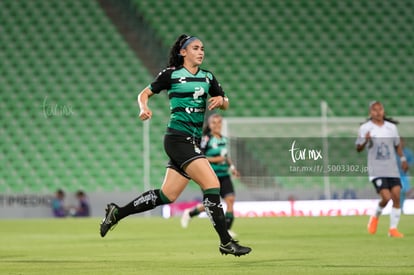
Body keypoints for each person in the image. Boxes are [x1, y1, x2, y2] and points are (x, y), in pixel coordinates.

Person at [99, 34, 251, 256]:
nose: (201, 52)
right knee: (212, 185)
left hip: (192, 140)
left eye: (203, 49)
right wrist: (143, 107)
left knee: (167, 195)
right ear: (183, 52)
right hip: (178, 138)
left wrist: (222, 101)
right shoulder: (171, 74)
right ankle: (226, 242)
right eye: (196, 48)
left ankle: (117, 213)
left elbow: (226, 102)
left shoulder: (208, 77)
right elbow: (144, 93)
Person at [181, 113, 240, 238]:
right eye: (214, 122)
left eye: (219, 122)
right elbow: (199, 157)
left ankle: (227, 230)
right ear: (210, 125)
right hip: (209, 176)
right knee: (211, 204)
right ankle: (190, 213)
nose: (217, 125)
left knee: (230, 200)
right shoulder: (206, 139)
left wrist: (233, 168)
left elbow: (226, 157)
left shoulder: (224, 139)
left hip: (224, 175)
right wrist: (216, 159)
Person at [356, 101, 408, 238]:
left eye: (380, 109)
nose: (378, 112)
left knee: (396, 196)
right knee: (386, 197)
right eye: (374, 110)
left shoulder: (391, 128)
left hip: (392, 168)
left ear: (383, 111)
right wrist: (365, 141)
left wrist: (403, 159)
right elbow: (358, 148)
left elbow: (397, 145)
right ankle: (375, 216)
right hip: (376, 169)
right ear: (370, 113)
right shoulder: (365, 128)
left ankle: (392, 229)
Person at [397, 138, 413, 211]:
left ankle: (400, 208)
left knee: (403, 191)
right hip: (394, 175)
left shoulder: (408, 152)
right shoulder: (392, 152)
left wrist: (407, 165)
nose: (400, 144)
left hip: (404, 175)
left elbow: (411, 163)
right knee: (397, 192)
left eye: (401, 142)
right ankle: (397, 208)